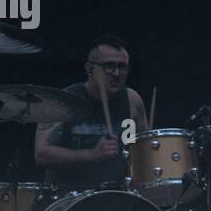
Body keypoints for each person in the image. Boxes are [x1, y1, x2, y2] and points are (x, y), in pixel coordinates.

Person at [33, 34, 150, 192]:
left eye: (122, 67)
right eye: (109, 66)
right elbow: (41, 154)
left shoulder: (132, 100)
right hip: (68, 198)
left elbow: (144, 152)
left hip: (117, 197)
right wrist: (91, 154)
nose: (116, 73)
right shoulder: (62, 102)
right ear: (89, 69)